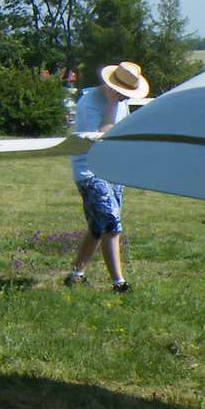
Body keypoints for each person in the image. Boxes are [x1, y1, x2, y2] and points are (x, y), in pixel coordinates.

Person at [65, 60, 149, 292]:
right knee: (112, 225)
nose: (125, 97)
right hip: (90, 170)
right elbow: (100, 137)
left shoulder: (122, 103)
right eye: (122, 93)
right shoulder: (89, 102)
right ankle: (118, 282)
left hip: (112, 169)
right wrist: (111, 105)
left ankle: (75, 275)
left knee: (97, 227)